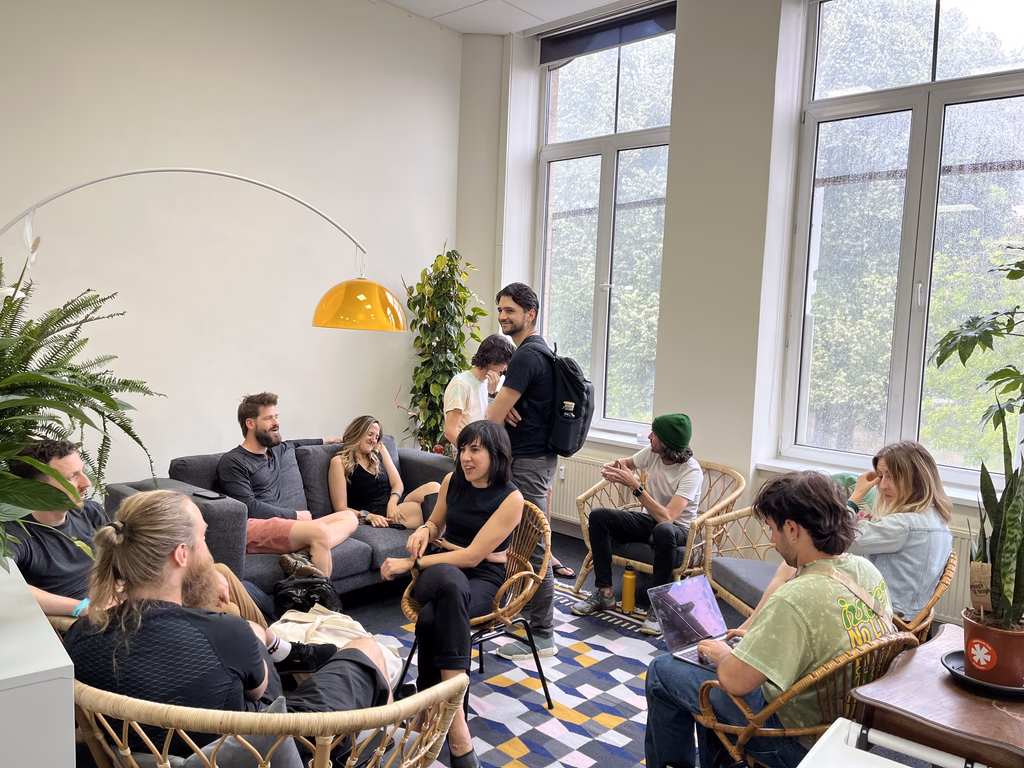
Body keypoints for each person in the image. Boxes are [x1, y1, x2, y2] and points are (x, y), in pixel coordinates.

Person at [63, 490, 393, 751]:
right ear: (181, 554)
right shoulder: (225, 633)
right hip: (266, 750)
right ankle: (381, 752)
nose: (209, 552)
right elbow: (266, 695)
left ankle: (288, 649)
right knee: (367, 647)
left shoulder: (79, 637)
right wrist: (250, 638)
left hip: (149, 756)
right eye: (204, 540)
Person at [645, 471, 893, 768]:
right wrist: (756, 642)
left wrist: (725, 655)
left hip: (793, 740)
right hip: (849, 727)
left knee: (663, 670)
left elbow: (735, 683)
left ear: (792, 529)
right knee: (705, 683)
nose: (773, 540)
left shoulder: (794, 598)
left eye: (773, 529)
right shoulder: (867, 572)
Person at [380, 421, 523, 768]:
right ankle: (457, 726)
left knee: (433, 617)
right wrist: (427, 529)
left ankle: (430, 707)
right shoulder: (451, 481)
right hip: (440, 574)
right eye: (463, 449)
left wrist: (410, 561)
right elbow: (437, 524)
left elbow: (473, 557)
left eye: (475, 449)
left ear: (496, 453)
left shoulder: (512, 498)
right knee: (450, 581)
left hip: (485, 579)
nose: (466, 458)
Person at [738, 441, 952, 629]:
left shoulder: (903, 525)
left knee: (792, 566)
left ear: (917, 479)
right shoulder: (939, 522)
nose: (883, 485)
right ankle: (752, 627)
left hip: (883, 617)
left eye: (892, 477)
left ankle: (751, 628)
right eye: (881, 476)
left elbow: (838, 536)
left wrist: (856, 495)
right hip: (909, 617)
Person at [571, 413, 702, 635]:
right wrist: (614, 467)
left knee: (663, 529)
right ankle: (605, 594)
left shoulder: (691, 472)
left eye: (655, 434)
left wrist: (636, 487)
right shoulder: (652, 454)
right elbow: (627, 463)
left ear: (667, 443)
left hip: (678, 529)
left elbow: (668, 517)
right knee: (599, 516)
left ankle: (659, 606)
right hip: (650, 519)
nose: (650, 436)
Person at [485, 282, 560, 660]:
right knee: (523, 545)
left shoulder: (527, 357)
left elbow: (491, 418)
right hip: (534, 459)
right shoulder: (541, 352)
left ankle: (542, 634)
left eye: (510, 311)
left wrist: (498, 405)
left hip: (528, 462)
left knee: (533, 549)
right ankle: (524, 619)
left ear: (530, 314)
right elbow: (505, 411)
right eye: (500, 310)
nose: (502, 317)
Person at [216, 392, 358, 578]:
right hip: (254, 526)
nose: (276, 423)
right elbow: (248, 506)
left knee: (349, 517)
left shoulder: (275, 451)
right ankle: (322, 602)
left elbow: (295, 443)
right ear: (250, 423)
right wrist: (294, 515)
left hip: (284, 524)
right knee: (320, 531)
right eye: (268, 418)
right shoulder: (233, 461)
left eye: (276, 417)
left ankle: (302, 555)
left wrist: (330, 441)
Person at [328, 415, 441, 529]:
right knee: (425, 509)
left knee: (434, 487)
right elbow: (340, 508)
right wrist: (368, 516)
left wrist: (392, 502)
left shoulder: (379, 449)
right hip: (377, 510)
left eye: (376, 437)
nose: (374, 440)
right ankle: (441, 540)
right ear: (358, 433)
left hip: (395, 500)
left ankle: (439, 538)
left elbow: (397, 483)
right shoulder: (339, 462)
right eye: (370, 434)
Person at [443, 333, 515, 447]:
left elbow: (490, 425)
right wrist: (471, 454)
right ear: (493, 359)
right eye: (505, 362)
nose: (505, 368)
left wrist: (492, 394)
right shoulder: (460, 384)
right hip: (467, 458)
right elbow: (450, 432)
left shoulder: (487, 385)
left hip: (483, 453)